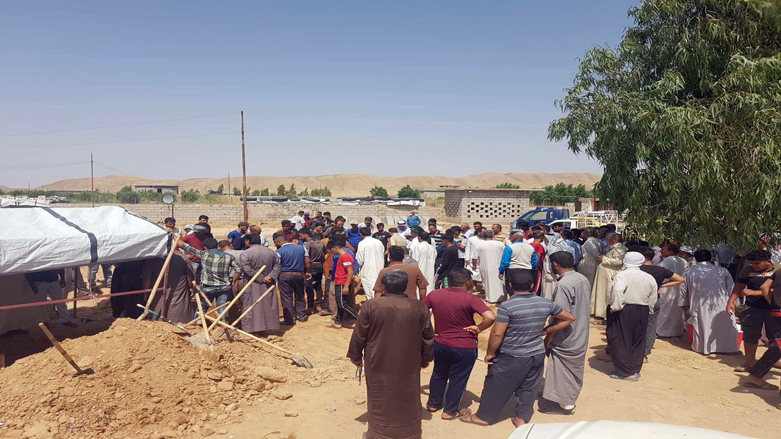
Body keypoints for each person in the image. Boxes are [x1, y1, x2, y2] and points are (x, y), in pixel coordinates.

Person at [460, 270, 575, 427]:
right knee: (529, 387)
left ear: (510, 285)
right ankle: (521, 418)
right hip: (536, 353)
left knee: (496, 386)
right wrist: (548, 330)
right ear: (532, 285)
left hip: (512, 355)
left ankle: (483, 417)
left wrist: (490, 353)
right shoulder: (546, 303)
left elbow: (497, 333)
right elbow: (569, 318)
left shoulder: (507, 307)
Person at [347, 270, 435, 439]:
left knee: (379, 395)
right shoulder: (419, 307)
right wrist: (425, 358)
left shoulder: (371, 306)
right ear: (405, 287)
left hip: (377, 360)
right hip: (409, 361)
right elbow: (428, 337)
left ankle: (379, 433)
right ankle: (409, 433)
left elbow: (359, 335)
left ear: (384, 287)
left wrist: (355, 356)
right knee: (408, 395)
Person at [423, 268, 496, 419]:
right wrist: (479, 328)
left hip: (441, 342)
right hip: (464, 345)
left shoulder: (435, 295)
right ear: (468, 282)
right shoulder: (471, 299)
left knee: (439, 373)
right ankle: (450, 411)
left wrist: (429, 331)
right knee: (458, 378)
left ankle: (433, 404)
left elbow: (420, 311)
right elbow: (490, 316)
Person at [540, 251, 591, 415]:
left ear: (555, 265)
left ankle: (565, 404)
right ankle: (565, 399)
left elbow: (561, 315)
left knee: (562, 370)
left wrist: (549, 335)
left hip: (566, 336)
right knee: (573, 368)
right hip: (581, 332)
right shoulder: (582, 278)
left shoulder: (563, 285)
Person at [607, 252, 657, 381]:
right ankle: (634, 369)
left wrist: (615, 306)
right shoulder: (648, 277)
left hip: (625, 309)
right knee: (638, 339)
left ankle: (625, 372)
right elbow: (653, 295)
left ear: (625, 261)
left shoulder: (622, 275)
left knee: (621, 339)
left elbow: (618, 290)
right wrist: (649, 310)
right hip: (643, 309)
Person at [728, 249, 780, 372]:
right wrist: (731, 302)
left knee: (775, 337)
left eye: (757, 263)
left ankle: (774, 361)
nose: (753, 266)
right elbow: (738, 287)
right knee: (750, 335)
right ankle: (749, 363)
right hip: (752, 308)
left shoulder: (778, 271)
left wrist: (756, 293)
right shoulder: (747, 271)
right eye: (752, 263)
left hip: (773, 309)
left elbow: (777, 290)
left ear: (768, 261)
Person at [680, 249, 740, 355]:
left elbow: (683, 289)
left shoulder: (689, 271)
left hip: (700, 304)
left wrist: (683, 303)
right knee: (724, 325)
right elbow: (731, 288)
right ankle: (727, 347)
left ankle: (704, 347)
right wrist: (734, 302)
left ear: (696, 258)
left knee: (703, 324)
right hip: (723, 303)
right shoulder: (722, 271)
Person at [635, 247, 685, 359]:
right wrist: (661, 285)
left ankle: (634, 348)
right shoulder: (661, 269)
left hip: (638, 298)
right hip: (655, 298)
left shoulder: (637, 269)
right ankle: (646, 351)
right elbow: (681, 279)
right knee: (651, 325)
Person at [178, 237, 241, 312]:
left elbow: (187, 248)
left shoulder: (204, 254)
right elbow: (238, 269)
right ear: (217, 246)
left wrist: (175, 237)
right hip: (224, 286)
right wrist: (233, 280)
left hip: (208, 286)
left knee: (202, 308)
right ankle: (221, 319)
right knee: (222, 308)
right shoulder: (229, 256)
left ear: (205, 247)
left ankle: (199, 319)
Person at [743, 270, 781, 392]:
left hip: (776, 312)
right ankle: (755, 376)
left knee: (777, 347)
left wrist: (772, 303)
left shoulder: (779, 271)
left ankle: (755, 376)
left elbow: (764, 287)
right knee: (777, 347)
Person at [239, 234, 281, 334]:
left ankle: (253, 329)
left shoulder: (245, 253)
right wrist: (270, 276)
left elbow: (247, 270)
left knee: (252, 305)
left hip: (253, 283)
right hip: (268, 283)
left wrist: (261, 278)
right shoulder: (271, 252)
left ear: (248, 241)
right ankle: (266, 327)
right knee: (268, 304)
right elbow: (278, 265)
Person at [141, 252, 195, 324]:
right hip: (179, 292)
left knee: (158, 307)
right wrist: (190, 287)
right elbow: (190, 276)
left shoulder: (152, 259)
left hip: (158, 293)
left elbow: (147, 278)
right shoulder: (182, 258)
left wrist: (146, 292)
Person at [274, 234, 311, 324]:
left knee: (286, 297)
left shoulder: (278, 251)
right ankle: (302, 316)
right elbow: (307, 261)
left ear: (279, 242)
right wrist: (308, 271)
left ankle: (289, 319)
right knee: (300, 295)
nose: (275, 245)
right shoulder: (301, 248)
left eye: (275, 243)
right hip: (299, 275)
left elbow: (277, 265)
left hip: (284, 275)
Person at [591, 232, 627, 319]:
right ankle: (601, 312)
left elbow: (619, 261)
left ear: (611, 240)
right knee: (602, 292)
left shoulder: (620, 249)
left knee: (608, 293)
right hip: (605, 273)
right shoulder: (615, 248)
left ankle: (607, 314)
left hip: (610, 273)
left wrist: (604, 258)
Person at [656, 243, 688, 338]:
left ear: (670, 251)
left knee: (664, 311)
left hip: (667, 288)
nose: (661, 251)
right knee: (677, 311)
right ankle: (676, 331)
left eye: (663, 249)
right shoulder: (683, 261)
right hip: (680, 288)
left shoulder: (667, 261)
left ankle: (662, 331)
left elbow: (658, 272)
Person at [328, 237, 359, 328]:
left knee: (342, 304)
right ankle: (338, 322)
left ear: (335, 248)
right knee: (340, 303)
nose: (331, 252)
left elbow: (350, 271)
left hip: (342, 283)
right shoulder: (344, 256)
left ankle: (360, 319)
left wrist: (346, 286)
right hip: (340, 282)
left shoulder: (345, 257)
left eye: (331, 250)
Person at [499, 233, 537, 299]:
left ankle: (514, 300)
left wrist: (501, 271)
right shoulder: (530, 247)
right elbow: (535, 262)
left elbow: (505, 262)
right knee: (526, 287)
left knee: (512, 288)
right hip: (527, 270)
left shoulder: (509, 247)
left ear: (514, 239)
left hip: (513, 270)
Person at [474, 230, 505, 303]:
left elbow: (475, 258)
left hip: (485, 266)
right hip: (499, 266)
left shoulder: (479, 245)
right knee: (499, 282)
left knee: (487, 281)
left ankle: (490, 298)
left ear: (483, 236)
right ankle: (501, 297)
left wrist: (474, 265)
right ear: (493, 235)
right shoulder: (500, 244)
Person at [355, 227, 385, 300]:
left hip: (367, 269)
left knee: (370, 290)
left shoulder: (362, 243)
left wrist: (357, 267)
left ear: (361, 234)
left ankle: (374, 304)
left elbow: (360, 259)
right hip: (379, 268)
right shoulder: (379, 242)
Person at [300, 229, 325, 314]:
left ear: (306, 235)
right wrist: (322, 261)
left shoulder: (307, 244)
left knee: (309, 287)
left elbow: (306, 255)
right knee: (318, 286)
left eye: (301, 236)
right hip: (319, 266)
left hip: (310, 266)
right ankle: (318, 304)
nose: (300, 238)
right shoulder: (320, 243)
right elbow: (326, 253)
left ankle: (310, 306)